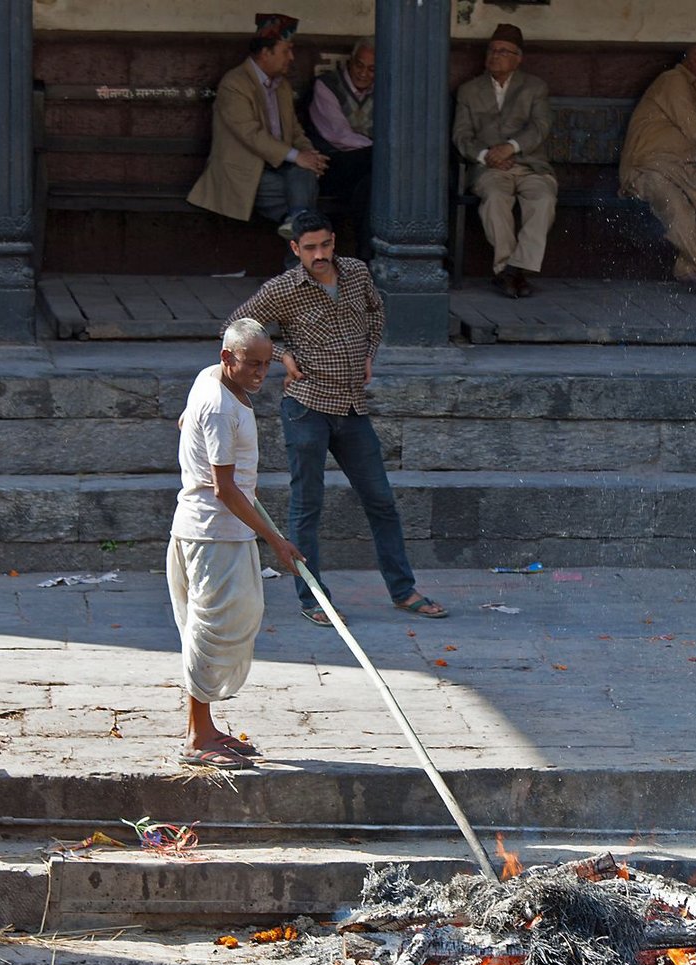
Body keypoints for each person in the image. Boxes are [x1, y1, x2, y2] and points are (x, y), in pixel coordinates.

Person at [229, 210, 447, 625]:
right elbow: (236, 326)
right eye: (310, 248)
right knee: (307, 506)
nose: (320, 254)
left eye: (325, 244)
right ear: (295, 249)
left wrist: (368, 354)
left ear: (334, 242)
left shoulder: (356, 273)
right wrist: (280, 355)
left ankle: (403, 590)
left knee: (381, 500)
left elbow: (377, 312)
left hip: (352, 406)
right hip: (307, 406)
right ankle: (313, 598)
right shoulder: (283, 289)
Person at [169, 318, 304, 771]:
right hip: (212, 532)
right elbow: (224, 490)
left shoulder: (208, 377)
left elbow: (185, 419)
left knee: (233, 620)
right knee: (211, 632)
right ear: (228, 357)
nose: (260, 374)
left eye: (267, 365)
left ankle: (205, 728)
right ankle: (196, 736)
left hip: (223, 530)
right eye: (252, 364)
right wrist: (278, 543)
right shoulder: (219, 406)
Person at [187, 13, 326, 252]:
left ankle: (297, 219)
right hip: (245, 173)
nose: (291, 58)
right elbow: (251, 134)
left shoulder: (281, 85)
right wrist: (297, 157)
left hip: (279, 170)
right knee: (305, 204)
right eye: (286, 51)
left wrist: (309, 154)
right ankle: (301, 259)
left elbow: (294, 130)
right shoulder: (234, 84)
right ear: (265, 53)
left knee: (304, 179)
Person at [620, 44, 696, 297]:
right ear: (691, 62)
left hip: (684, 169)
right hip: (648, 168)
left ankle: (688, 268)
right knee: (676, 205)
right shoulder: (673, 80)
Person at [453, 24, 556, 299]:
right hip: (490, 168)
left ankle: (515, 269)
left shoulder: (535, 87)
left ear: (518, 58)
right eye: (491, 50)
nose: (494, 56)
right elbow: (461, 136)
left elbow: (540, 126)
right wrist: (487, 156)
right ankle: (508, 270)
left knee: (543, 199)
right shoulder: (469, 90)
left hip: (530, 165)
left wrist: (510, 148)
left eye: (502, 51)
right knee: (496, 199)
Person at [304, 37, 375, 259]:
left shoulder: (386, 88)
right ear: (350, 62)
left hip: (367, 171)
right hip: (333, 165)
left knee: (371, 186)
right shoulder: (327, 85)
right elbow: (338, 135)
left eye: (372, 69)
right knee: (380, 166)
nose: (363, 73)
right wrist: (380, 150)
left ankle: (365, 256)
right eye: (359, 65)